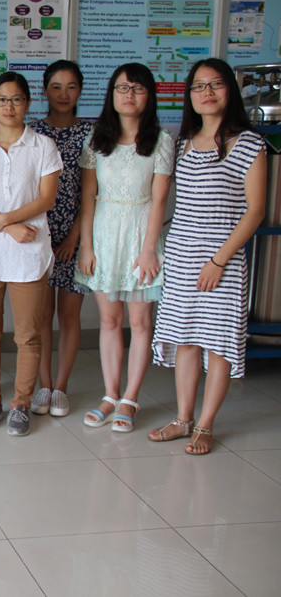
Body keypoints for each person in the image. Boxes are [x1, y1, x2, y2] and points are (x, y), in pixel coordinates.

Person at [150, 58, 267, 454]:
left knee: (218, 343)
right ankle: (183, 419)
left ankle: (205, 424)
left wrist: (219, 261)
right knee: (185, 339)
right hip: (182, 255)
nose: (207, 92)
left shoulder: (249, 144)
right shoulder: (182, 142)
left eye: (216, 84)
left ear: (230, 90)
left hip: (223, 260)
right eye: (199, 86)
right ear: (190, 95)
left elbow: (255, 211)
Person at [75, 63, 172, 433]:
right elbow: (88, 196)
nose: (129, 95)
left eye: (138, 88)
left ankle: (130, 398)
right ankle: (110, 395)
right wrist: (87, 245)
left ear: (149, 96)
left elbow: (159, 200)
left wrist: (148, 250)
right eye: (122, 88)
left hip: (141, 235)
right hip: (104, 235)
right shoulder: (96, 139)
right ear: (111, 94)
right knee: (109, 320)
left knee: (141, 322)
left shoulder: (161, 141)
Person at [0, 72, 61, 436]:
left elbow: (47, 199)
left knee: (28, 336)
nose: (9, 106)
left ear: (28, 103)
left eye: (17, 99)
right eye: (2, 100)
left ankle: (20, 404)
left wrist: (5, 219)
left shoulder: (43, 147)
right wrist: (8, 227)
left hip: (29, 251)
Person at [27, 60, 93, 418]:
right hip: (37, 232)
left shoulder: (93, 135)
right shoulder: (33, 133)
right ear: (44, 91)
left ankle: (61, 388)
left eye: (71, 87)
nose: (63, 94)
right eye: (56, 86)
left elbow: (93, 193)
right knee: (41, 315)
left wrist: (73, 238)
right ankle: (44, 384)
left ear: (80, 90)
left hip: (76, 235)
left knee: (69, 315)